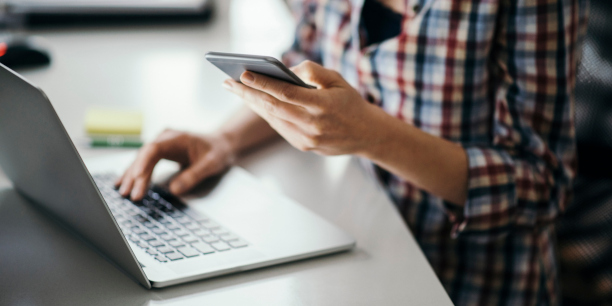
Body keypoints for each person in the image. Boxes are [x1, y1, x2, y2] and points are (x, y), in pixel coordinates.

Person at [116, 0, 588, 304]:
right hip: (357, 257)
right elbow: (305, 60)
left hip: (470, 282)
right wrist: (223, 141)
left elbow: (543, 182)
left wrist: (374, 136)